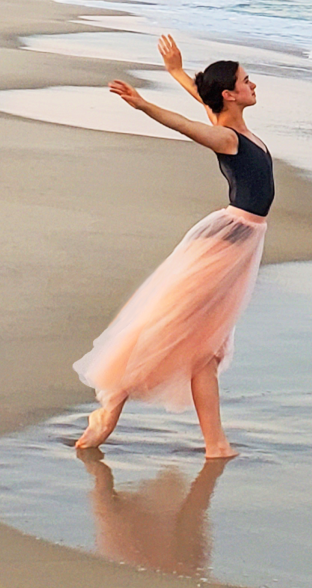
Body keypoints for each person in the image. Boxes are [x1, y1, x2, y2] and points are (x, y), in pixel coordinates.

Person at [73, 37, 274, 459]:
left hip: (240, 240)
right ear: (230, 94)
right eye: (245, 80)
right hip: (227, 242)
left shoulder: (231, 125)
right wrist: (143, 105)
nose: (252, 84)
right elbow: (185, 125)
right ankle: (112, 403)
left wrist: (176, 72)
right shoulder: (226, 138)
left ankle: (216, 444)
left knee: (206, 345)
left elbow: (201, 105)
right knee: (180, 329)